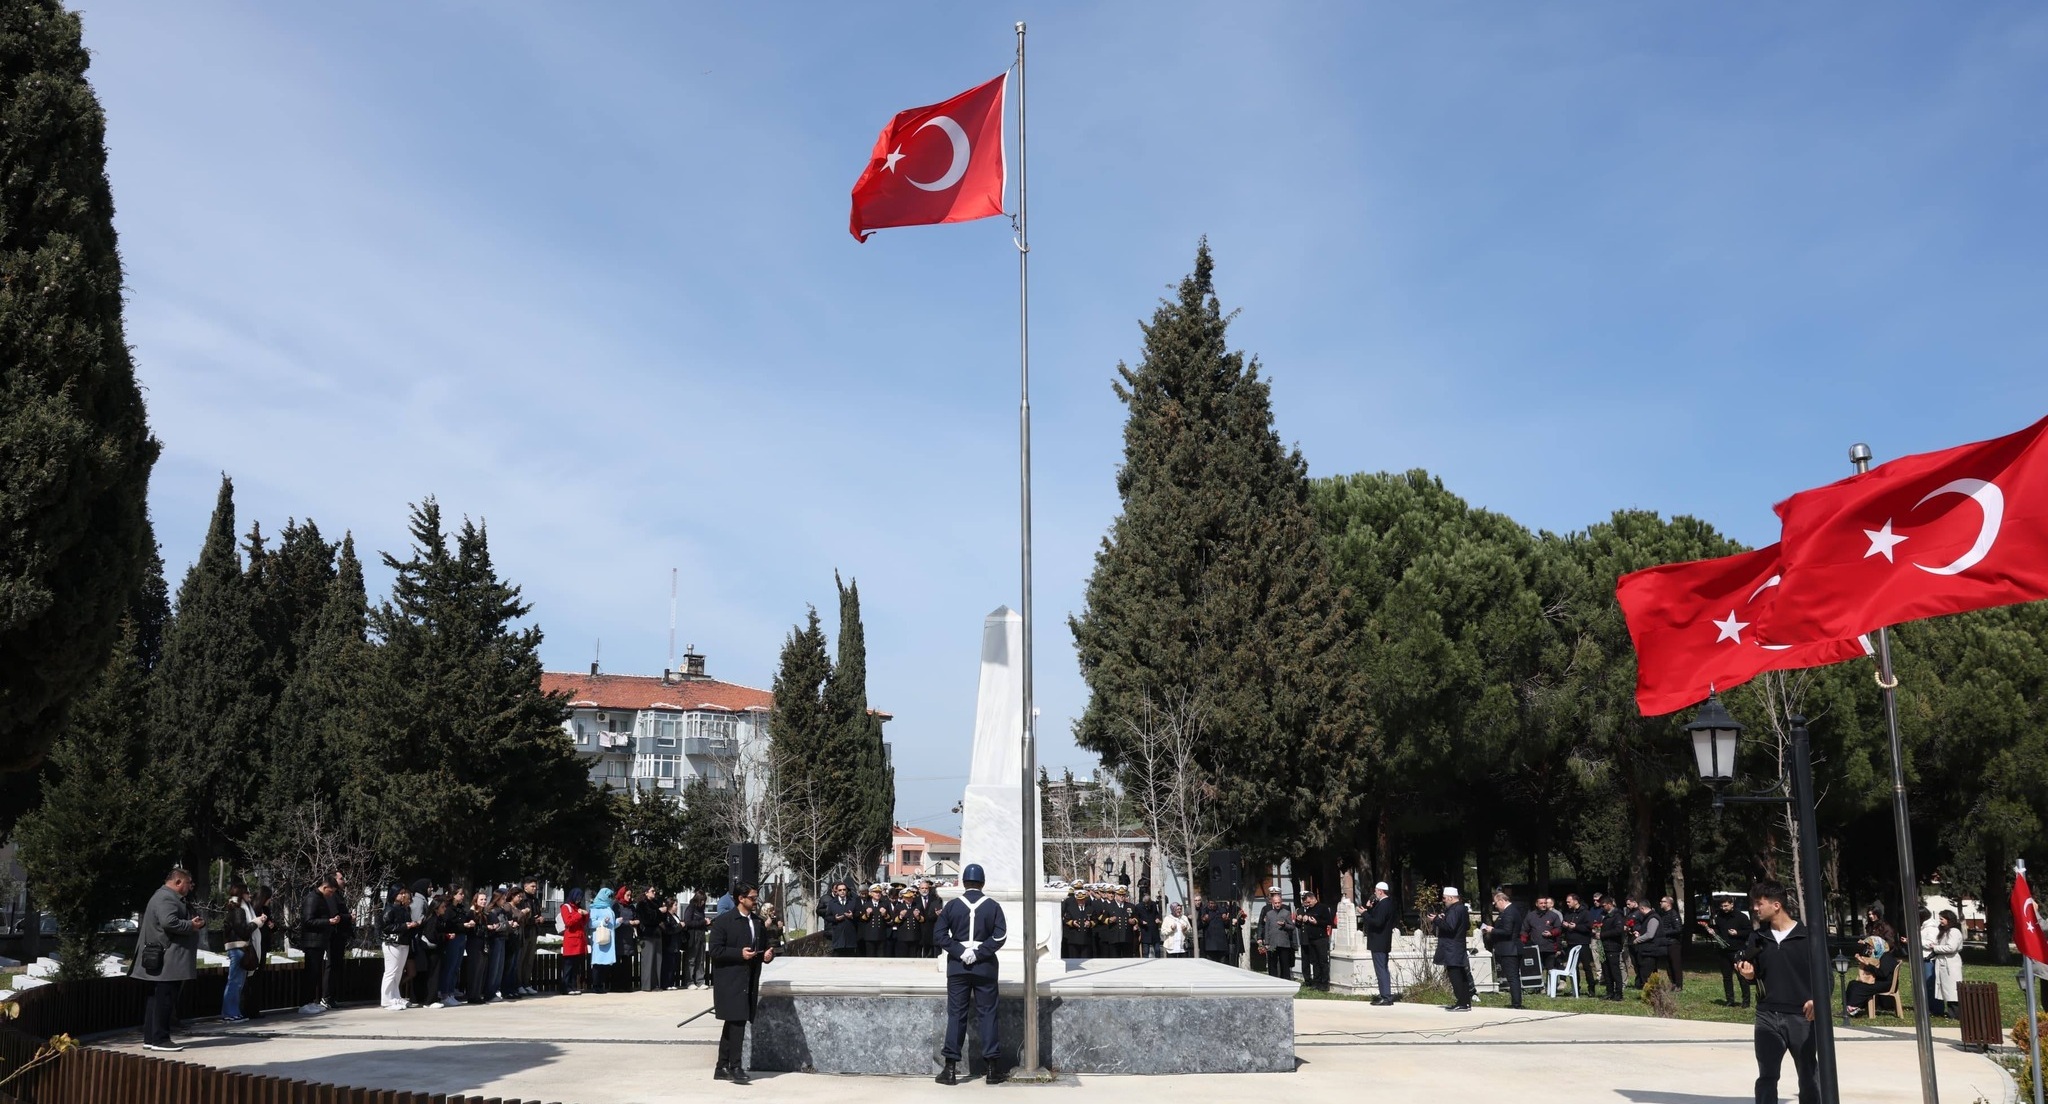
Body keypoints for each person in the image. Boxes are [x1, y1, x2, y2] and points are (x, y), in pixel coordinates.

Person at [1734, 880, 1821, 1104]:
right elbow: (1754, 975)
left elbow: (1825, 977)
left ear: (1776, 905)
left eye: (1759, 903)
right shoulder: (1757, 937)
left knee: (1809, 1076)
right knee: (1767, 1077)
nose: (1755, 908)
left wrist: (1817, 1000)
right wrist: (1748, 975)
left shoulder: (1807, 936)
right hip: (1766, 1016)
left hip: (1802, 1017)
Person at [935, 863, 1008, 1085]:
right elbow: (1000, 936)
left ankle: (950, 1069)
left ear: (963, 882)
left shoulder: (952, 906)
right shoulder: (993, 906)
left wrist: (961, 951)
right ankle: (992, 1069)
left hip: (958, 968)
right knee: (988, 1014)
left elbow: (940, 934)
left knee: (956, 1015)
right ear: (982, 883)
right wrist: (979, 953)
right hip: (985, 967)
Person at [709, 881, 776, 1085]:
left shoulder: (757, 922)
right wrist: (739, 954)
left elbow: (762, 948)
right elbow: (715, 950)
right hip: (730, 980)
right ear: (741, 898)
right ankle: (735, 1066)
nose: (756, 901)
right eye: (752, 898)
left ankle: (721, 1067)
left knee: (734, 1022)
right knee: (737, 1021)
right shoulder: (723, 922)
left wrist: (766, 955)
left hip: (749, 979)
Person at [132, 867, 205, 1051]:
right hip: (169, 959)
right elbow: (168, 922)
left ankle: (151, 1038)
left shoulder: (164, 896)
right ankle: (160, 1039)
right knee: (165, 999)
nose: (190, 886)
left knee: (156, 999)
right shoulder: (167, 897)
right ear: (178, 882)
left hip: (165, 957)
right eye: (188, 883)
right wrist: (191, 925)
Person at [298, 874, 344, 1014]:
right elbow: (308, 920)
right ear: (325, 887)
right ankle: (304, 1003)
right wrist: (328, 921)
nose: (331, 895)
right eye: (330, 891)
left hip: (319, 941)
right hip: (312, 942)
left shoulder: (321, 898)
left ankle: (311, 1001)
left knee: (316, 973)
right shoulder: (312, 898)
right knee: (311, 973)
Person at [1702, 897, 1756, 1008]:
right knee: (1726, 977)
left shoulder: (1741, 917)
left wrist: (1737, 933)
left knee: (1742, 976)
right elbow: (1718, 930)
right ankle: (1730, 1000)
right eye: (1722, 906)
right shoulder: (1719, 917)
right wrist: (1712, 932)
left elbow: (1749, 931)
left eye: (1726, 906)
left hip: (1737, 950)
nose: (1724, 908)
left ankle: (1746, 1001)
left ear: (1732, 904)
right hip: (1723, 951)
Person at [1843, 918, 1900, 1017]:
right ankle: (1849, 1006)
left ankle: (1853, 1007)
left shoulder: (1886, 957)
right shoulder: (1879, 956)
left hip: (1886, 983)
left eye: (1871, 947)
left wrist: (1868, 966)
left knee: (1858, 987)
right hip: (1881, 981)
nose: (1869, 949)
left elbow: (1883, 973)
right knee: (1853, 983)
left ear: (1878, 946)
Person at [1483, 888, 1528, 1009]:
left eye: (1496, 903)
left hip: (1510, 949)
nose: (1495, 906)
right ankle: (1516, 1002)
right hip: (1511, 948)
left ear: (1502, 900)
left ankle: (1516, 1003)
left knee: (1512, 977)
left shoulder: (1509, 912)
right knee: (1513, 977)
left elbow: (1507, 931)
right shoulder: (1511, 911)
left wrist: (1492, 930)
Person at [1430, 887, 1473, 1012]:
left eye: (1444, 898)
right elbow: (1466, 925)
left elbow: (1450, 927)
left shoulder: (1455, 909)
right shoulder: (1462, 909)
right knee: (1461, 974)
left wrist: (1436, 920)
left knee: (1455, 975)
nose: (1443, 900)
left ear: (1450, 897)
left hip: (1451, 947)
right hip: (1458, 945)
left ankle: (1462, 1002)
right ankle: (1465, 1001)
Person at [221, 878, 256, 1023]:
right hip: (238, 948)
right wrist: (255, 923)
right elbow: (243, 931)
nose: (249, 895)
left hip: (237, 948)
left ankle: (234, 1012)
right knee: (234, 982)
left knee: (237, 983)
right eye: (247, 892)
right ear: (242, 894)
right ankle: (229, 1013)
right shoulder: (238, 911)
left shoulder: (234, 909)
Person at [379, 884, 419, 1010]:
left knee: (398, 972)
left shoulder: (404, 909)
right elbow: (386, 926)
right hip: (392, 943)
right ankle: (386, 999)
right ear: (394, 894)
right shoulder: (389, 908)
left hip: (403, 942)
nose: (403, 895)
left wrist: (412, 926)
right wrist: (405, 926)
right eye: (400, 893)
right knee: (391, 971)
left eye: (404, 893)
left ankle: (395, 996)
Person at [1361, 881, 1398, 1005]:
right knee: (1383, 968)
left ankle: (1386, 996)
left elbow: (1377, 922)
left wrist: (1364, 914)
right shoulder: (1386, 903)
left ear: (1381, 891)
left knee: (1381, 969)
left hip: (1379, 941)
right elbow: (1378, 918)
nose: (1375, 893)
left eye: (1376, 891)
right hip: (1383, 940)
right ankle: (1385, 994)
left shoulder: (1384, 904)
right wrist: (1370, 908)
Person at [438, 887, 475, 1006]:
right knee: (450, 966)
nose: (462, 896)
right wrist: (463, 925)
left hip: (461, 937)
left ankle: (451, 992)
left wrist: (468, 923)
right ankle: (444, 993)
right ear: (453, 895)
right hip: (453, 938)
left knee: (455, 967)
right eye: (460, 894)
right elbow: (448, 925)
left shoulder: (460, 908)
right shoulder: (448, 909)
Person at [1255, 889, 1297, 981]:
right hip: (1272, 943)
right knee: (1272, 964)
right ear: (1272, 903)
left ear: (1281, 902)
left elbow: (1292, 927)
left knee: (1284, 964)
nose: (1277, 904)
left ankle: (1285, 981)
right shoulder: (1269, 913)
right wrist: (1266, 943)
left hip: (1284, 943)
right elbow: (1266, 929)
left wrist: (1285, 925)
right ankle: (1273, 981)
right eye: (1275, 903)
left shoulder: (1286, 912)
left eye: (1279, 903)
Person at [1930, 909, 1964, 1017]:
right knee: (1946, 989)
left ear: (1949, 919)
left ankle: (1956, 1013)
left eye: (1942, 919)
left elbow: (1951, 947)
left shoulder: (1954, 931)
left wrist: (1936, 948)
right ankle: (1951, 1012)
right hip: (1943, 962)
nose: (1940, 921)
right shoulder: (1944, 932)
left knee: (1952, 990)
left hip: (1950, 963)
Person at [1297, 890, 1334, 990]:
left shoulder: (1323, 908)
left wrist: (1316, 922)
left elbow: (1328, 922)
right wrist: (1303, 918)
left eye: (1309, 902)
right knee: (1315, 962)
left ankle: (1324, 983)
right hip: (1311, 939)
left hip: (1320, 938)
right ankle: (1316, 982)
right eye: (1306, 903)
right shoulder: (1309, 909)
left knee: (1322, 961)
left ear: (1314, 899)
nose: (1308, 904)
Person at [1561, 893, 1597, 994]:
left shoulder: (1585, 913)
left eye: (1569, 901)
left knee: (1586, 967)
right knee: (1573, 967)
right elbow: (1564, 923)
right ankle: (1576, 987)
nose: (1567, 903)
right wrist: (1565, 925)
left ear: (1576, 901)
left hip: (1583, 943)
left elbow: (1589, 927)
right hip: (1571, 943)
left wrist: (1576, 927)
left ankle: (1591, 988)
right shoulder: (1568, 913)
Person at [1521, 895, 1564, 980]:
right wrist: (1523, 943)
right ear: (1536, 904)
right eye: (1541, 903)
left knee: (1550, 969)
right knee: (1536, 969)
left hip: (1550, 947)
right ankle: (1539, 985)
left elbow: (1559, 929)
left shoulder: (1553, 915)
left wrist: (1551, 933)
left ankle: (1551, 986)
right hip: (1535, 948)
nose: (1543, 905)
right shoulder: (1530, 916)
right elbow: (1524, 930)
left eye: (1545, 903)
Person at [1596, 894, 1628, 1001]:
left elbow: (1618, 930)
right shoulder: (1604, 915)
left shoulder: (1617, 915)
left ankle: (1618, 993)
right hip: (1603, 946)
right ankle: (1609, 992)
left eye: (1603, 905)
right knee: (1606, 970)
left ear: (1610, 904)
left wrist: (1602, 935)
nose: (1602, 908)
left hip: (1613, 946)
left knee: (1614, 970)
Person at [1630, 896, 1667, 989]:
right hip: (1648, 950)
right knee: (1647, 973)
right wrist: (1640, 933)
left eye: (1639, 910)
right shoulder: (1647, 918)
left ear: (1642, 908)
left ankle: (1650, 991)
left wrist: (1637, 940)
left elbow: (1650, 934)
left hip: (1651, 950)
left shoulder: (1653, 918)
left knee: (1647, 974)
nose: (1639, 912)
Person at [558, 888, 590, 994]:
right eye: (577, 897)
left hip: (579, 939)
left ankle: (573, 986)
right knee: (568, 965)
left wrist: (585, 915)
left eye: (580, 898)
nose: (578, 899)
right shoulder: (565, 907)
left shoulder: (577, 908)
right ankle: (565, 987)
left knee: (576, 966)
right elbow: (568, 922)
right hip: (571, 940)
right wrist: (579, 914)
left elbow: (583, 923)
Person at [589, 887, 620, 994]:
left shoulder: (609, 908)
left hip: (608, 939)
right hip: (599, 939)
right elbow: (591, 923)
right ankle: (595, 985)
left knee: (605, 964)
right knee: (598, 963)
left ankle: (601, 985)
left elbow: (611, 925)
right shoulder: (595, 908)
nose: (610, 898)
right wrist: (603, 922)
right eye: (608, 896)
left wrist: (618, 922)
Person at [638, 885, 667, 991]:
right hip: (647, 935)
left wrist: (662, 912)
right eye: (652, 891)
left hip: (657, 933)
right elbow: (646, 919)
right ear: (646, 892)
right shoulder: (642, 904)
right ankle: (647, 985)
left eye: (655, 891)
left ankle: (656, 984)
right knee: (648, 960)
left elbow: (662, 918)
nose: (654, 893)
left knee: (657, 960)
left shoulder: (656, 903)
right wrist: (659, 911)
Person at [821, 882, 859, 958]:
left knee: (850, 959)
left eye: (844, 890)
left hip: (850, 937)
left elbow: (858, 914)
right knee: (838, 959)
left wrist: (852, 916)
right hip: (838, 936)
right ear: (837, 892)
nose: (842, 891)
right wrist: (835, 919)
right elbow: (827, 917)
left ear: (847, 891)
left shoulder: (853, 901)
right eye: (840, 890)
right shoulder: (832, 903)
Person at [683, 891, 712, 987]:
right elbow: (688, 922)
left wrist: (707, 924)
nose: (703, 903)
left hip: (701, 934)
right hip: (693, 935)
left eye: (704, 901)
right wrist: (703, 922)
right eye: (702, 900)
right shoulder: (691, 908)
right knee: (692, 959)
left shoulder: (701, 910)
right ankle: (689, 981)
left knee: (700, 959)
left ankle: (700, 981)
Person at [1658, 895, 1686, 990]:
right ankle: (1673, 983)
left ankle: (1678, 985)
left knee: (1675, 965)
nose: (1660, 903)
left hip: (1673, 943)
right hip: (1666, 943)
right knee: (1668, 966)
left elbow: (1678, 929)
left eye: (1662, 901)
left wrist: (1664, 932)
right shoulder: (1663, 914)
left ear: (1668, 903)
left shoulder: (1673, 914)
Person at [1061, 886, 1095, 959]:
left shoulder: (1090, 909)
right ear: (1076, 900)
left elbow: (1095, 920)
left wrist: (1090, 923)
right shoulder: (1071, 909)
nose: (1081, 902)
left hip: (1086, 939)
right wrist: (1072, 923)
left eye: (1082, 900)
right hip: (1074, 939)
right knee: (1074, 959)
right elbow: (1066, 920)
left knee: (1085, 959)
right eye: (1079, 900)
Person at [859, 883, 891, 957]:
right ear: (870, 893)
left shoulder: (885, 904)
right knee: (870, 956)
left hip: (881, 935)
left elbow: (889, 920)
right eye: (876, 892)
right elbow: (861, 920)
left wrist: (885, 914)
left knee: (881, 956)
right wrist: (867, 914)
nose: (878, 894)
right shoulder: (866, 904)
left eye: (879, 892)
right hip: (869, 936)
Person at [893, 886, 926, 957]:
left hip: (914, 935)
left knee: (914, 955)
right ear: (903, 898)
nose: (908, 899)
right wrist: (900, 916)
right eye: (906, 897)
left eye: (910, 897)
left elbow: (923, 920)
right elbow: (895, 921)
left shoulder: (918, 906)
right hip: (903, 936)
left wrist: (918, 916)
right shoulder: (899, 907)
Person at [916, 879, 942, 958]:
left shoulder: (934, 899)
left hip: (931, 929)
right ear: (919, 889)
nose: (924, 890)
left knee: (931, 954)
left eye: (926, 888)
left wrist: (936, 914)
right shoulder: (915, 900)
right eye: (922, 888)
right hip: (918, 930)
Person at [1138, 892, 1165, 959]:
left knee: (1157, 950)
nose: (1147, 904)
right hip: (1145, 930)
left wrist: (1157, 918)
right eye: (1146, 903)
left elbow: (1156, 914)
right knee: (1146, 951)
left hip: (1154, 930)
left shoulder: (1153, 904)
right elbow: (1137, 917)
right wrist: (1141, 922)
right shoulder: (1138, 906)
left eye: (1148, 902)